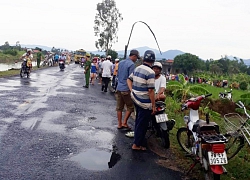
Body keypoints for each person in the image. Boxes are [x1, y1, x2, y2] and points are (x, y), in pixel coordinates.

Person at [127, 50, 156, 151]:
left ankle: (138, 140)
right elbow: (151, 91)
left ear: (144, 59)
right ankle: (136, 145)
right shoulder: (151, 72)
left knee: (138, 121)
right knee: (142, 124)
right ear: (153, 61)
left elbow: (129, 79)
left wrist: (132, 91)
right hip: (144, 103)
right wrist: (153, 105)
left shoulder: (137, 68)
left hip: (136, 99)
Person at [116, 50, 140, 129]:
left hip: (119, 87)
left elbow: (118, 74)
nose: (136, 60)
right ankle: (124, 122)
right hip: (126, 89)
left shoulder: (121, 62)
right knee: (130, 107)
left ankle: (119, 124)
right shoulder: (132, 65)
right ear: (134, 56)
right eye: (136, 58)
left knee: (119, 107)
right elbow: (131, 78)